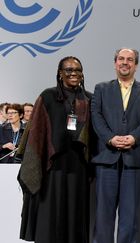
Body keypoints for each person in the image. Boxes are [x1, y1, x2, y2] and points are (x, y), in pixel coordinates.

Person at [18, 56, 92, 242]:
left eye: (77, 70)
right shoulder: (48, 97)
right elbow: (36, 132)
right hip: (51, 166)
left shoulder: (89, 99)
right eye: (69, 70)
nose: (74, 73)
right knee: (51, 212)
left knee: (76, 212)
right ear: (60, 74)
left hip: (79, 166)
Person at [91, 48, 140, 243]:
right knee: (103, 215)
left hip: (134, 158)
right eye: (121, 59)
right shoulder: (101, 89)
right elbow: (96, 117)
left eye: (130, 59)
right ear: (115, 63)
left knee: (129, 216)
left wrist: (134, 137)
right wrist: (110, 138)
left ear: (136, 65)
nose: (125, 62)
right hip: (107, 157)